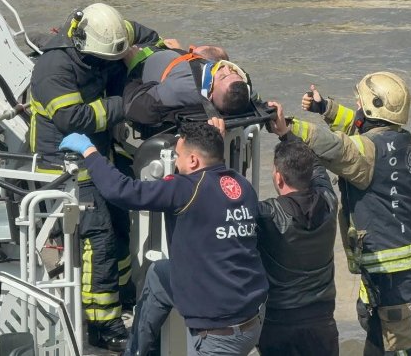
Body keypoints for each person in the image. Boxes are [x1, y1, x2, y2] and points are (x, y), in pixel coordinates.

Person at [59, 122, 268, 356]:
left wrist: (90, 152)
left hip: (218, 335)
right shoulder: (242, 185)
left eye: (178, 156)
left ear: (193, 161)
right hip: (251, 313)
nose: (175, 163)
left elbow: (122, 191)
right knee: (160, 274)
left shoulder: (186, 189)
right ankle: (136, 351)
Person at [29, 2, 164, 352]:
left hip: (99, 157)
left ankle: (122, 297)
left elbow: (150, 38)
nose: (108, 63)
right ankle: (103, 324)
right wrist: (127, 103)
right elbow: (73, 119)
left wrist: (152, 60)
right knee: (99, 239)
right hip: (64, 168)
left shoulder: (111, 32)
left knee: (120, 226)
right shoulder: (53, 67)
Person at [270, 72, 411, 356]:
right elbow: (357, 128)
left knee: (404, 349)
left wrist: (287, 128)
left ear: (371, 107)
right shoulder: (399, 138)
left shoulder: (364, 154)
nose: (355, 103)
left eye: (360, 100)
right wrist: (325, 108)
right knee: (382, 336)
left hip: (392, 272)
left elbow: (334, 146)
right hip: (397, 269)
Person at [256, 106, 340, 355]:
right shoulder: (329, 200)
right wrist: (285, 133)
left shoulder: (266, 215)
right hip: (323, 321)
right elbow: (314, 164)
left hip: (280, 323)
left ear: (278, 178)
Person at [121, 45, 252, 131]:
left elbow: (132, 106)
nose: (226, 68)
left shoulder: (181, 89)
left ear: (210, 94)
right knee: (218, 53)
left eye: (222, 76)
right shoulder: (237, 91)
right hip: (173, 55)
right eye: (234, 72)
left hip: (142, 63)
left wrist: (134, 64)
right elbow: (249, 94)